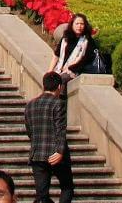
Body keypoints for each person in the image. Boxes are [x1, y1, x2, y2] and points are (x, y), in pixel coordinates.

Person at [25, 72, 71, 203]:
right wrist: (60, 151)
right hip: (56, 155)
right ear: (59, 86)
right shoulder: (58, 103)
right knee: (67, 187)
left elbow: (29, 131)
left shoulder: (30, 105)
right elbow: (60, 129)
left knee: (41, 195)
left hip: (37, 154)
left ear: (43, 85)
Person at [52, 13, 95, 80]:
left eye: (82, 24)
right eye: (77, 24)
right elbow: (56, 55)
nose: (79, 26)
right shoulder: (66, 37)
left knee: (62, 79)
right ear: (72, 24)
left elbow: (85, 60)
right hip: (60, 68)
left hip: (75, 70)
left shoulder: (88, 41)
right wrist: (49, 71)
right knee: (49, 79)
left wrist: (69, 68)